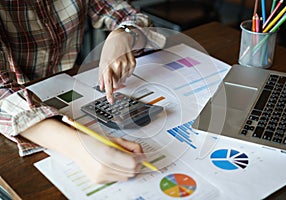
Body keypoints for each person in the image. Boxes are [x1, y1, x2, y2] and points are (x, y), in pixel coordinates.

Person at [0, 0, 165, 183]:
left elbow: (138, 20)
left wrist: (124, 35)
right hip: (17, 114)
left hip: (66, 86)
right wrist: (79, 149)